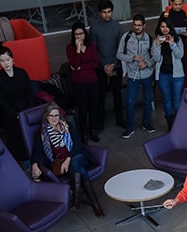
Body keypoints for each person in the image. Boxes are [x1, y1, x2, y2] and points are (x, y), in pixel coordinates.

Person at [30, 103, 104, 217]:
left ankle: (76, 201)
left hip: (78, 157)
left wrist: (68, 159)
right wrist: (34, 165)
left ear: (60, 116)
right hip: (59, 164)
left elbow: (78, 146)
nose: (54, 118)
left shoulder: (67, 125)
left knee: (75, 161)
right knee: (81, 170)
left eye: (57, 115)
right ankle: (96, 205)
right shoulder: (42, 133)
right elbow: (36, 151)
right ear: (46, 117)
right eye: (51, 116)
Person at [0, 46, 35, 162]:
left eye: (7, 59)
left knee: (31, 137)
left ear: (12, 59)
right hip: (10, 114)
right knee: (16, 141)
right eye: (2, 60)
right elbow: (1, 100)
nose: (6, 63)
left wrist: (28, 110)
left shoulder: (22, 73)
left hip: (26, 110)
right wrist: (14, 114)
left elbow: (30, 93)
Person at [117, 15, 156, 139]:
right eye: (135, 25)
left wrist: (146, 63)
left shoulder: (149, 39)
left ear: (144, 25)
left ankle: (146, 123)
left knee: (147, 100)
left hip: (146, 74)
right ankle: (129, 127)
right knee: (130, 102)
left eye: (139, 25)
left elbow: (154, 57)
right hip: (132, 75)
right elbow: (119, 54)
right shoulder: (126, 37)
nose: (137, 27)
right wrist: (132, 58)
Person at [91, 0, 125, 131]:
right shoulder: (94, 28)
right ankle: (100, 123)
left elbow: (121, 48)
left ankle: (120, 120)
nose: (107, 15)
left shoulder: (117, 26)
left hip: (115, 65)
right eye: (104, 12)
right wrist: (104, 65)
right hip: (100, 67)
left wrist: (113, 64)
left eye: (109, 12)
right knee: (101, 95)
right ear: (100, 13)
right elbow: (93, 49)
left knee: (117, 94)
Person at [66, 22, 101, 143]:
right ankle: (84, 134)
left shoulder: (91, 46)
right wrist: (77, 50)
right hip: (79, 83)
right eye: (76, 34)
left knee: (93, 107)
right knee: (83, 109)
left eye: (81, 33)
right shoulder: (70, 48)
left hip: (92, 81)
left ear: (85, 34)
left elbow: (95, 63)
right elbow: (75, 64)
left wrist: (82, 67)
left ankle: (93, 131)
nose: (79, 36)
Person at [151, 17, 185, 131]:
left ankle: (180, 124)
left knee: (177, 100)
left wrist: (172, 44)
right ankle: (170, 125)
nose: (165, 29)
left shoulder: (178, 39)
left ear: (171, 27)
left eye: (167, 27)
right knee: (167, 100)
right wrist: (157, 44)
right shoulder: (156, 41)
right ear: (159, 28)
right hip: (163, 75)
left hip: (177, 75)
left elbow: (180, 55)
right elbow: (155, 58)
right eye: (162, 27)